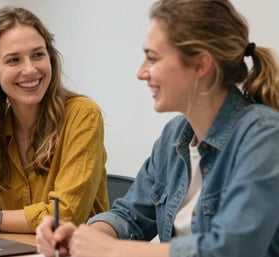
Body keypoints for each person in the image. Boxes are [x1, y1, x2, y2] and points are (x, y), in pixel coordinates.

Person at [35, 0, 279, 256]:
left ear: (200, 64)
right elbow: (129, 215)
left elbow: (231, 249)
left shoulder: (264, 136)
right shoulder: (174, 137)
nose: (141, 72)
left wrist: (111, 249)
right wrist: (82, 238)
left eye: (152, 58)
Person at [0, 6, 109, 234]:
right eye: (13, 60)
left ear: (51, 58)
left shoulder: (83, 115)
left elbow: (64, 216)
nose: (30, 69)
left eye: (38, 54)